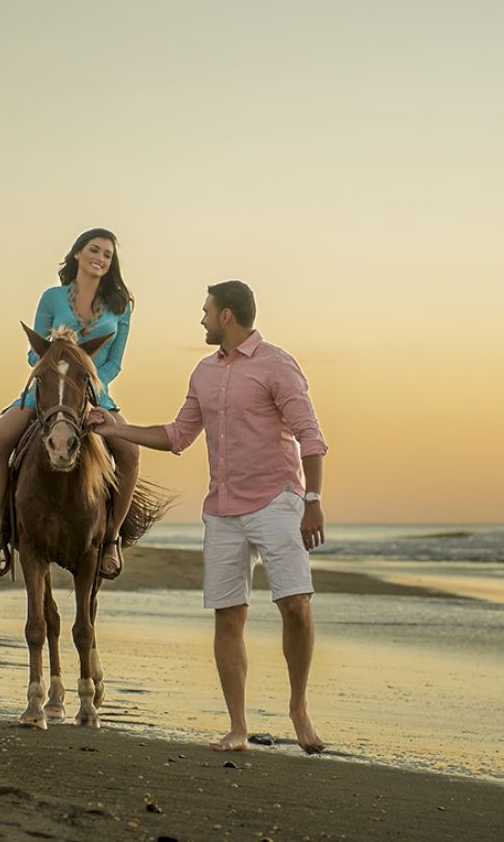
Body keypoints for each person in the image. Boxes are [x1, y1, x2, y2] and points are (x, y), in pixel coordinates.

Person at [88, 280, 328, 753]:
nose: (200, 318)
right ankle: (237, 729)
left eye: (205, 311)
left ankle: (298, 707)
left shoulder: (277, 364)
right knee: (227, 617)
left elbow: (310, 436)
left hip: (278, 501)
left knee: (296, 607)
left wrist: (313, 499)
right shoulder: (202, 372)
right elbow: (178, 435)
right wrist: (115, 427)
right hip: (222, 511)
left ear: (227, 316)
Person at [0, 228, 140, 580]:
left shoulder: (120, 306)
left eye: (107, 254)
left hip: (95, 393)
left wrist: (92, 390)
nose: (100, 257)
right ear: (78, 254)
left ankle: (111, 539)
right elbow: (33, 353)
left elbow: (114, 362)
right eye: (94, 249)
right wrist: (53, 366)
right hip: (48, 393)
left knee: (130, 452)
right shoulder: (51, 298)